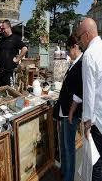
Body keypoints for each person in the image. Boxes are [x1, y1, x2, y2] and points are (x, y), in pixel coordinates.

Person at [54, 35, 83, 181]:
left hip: (70, 112)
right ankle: (64, 171)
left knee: (69, 148)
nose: (67, 53)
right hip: (65, 110)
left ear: (75, 47)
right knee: (64, 146)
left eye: (68, 49)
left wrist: (71, 112)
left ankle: (68, 177)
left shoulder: (81, 63)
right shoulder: (74, 62)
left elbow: (79, 91)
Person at [76, 18, 102, 181]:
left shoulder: (89, 55)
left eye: (79, 37)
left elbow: (89, 92)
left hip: (97, 120)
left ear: (86, 35)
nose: (79, 42)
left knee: (96, 163)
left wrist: (86, 123)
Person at [0, 19, 27, 87]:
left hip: (10, 71)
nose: (2, 30)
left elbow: (25, 49)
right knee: (2, 92)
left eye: (3, 28)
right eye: (1, 29)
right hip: (2, 71)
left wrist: (18, 59)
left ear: (9, 27)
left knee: (11, 92)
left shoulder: (15, 38)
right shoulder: (1, 39)